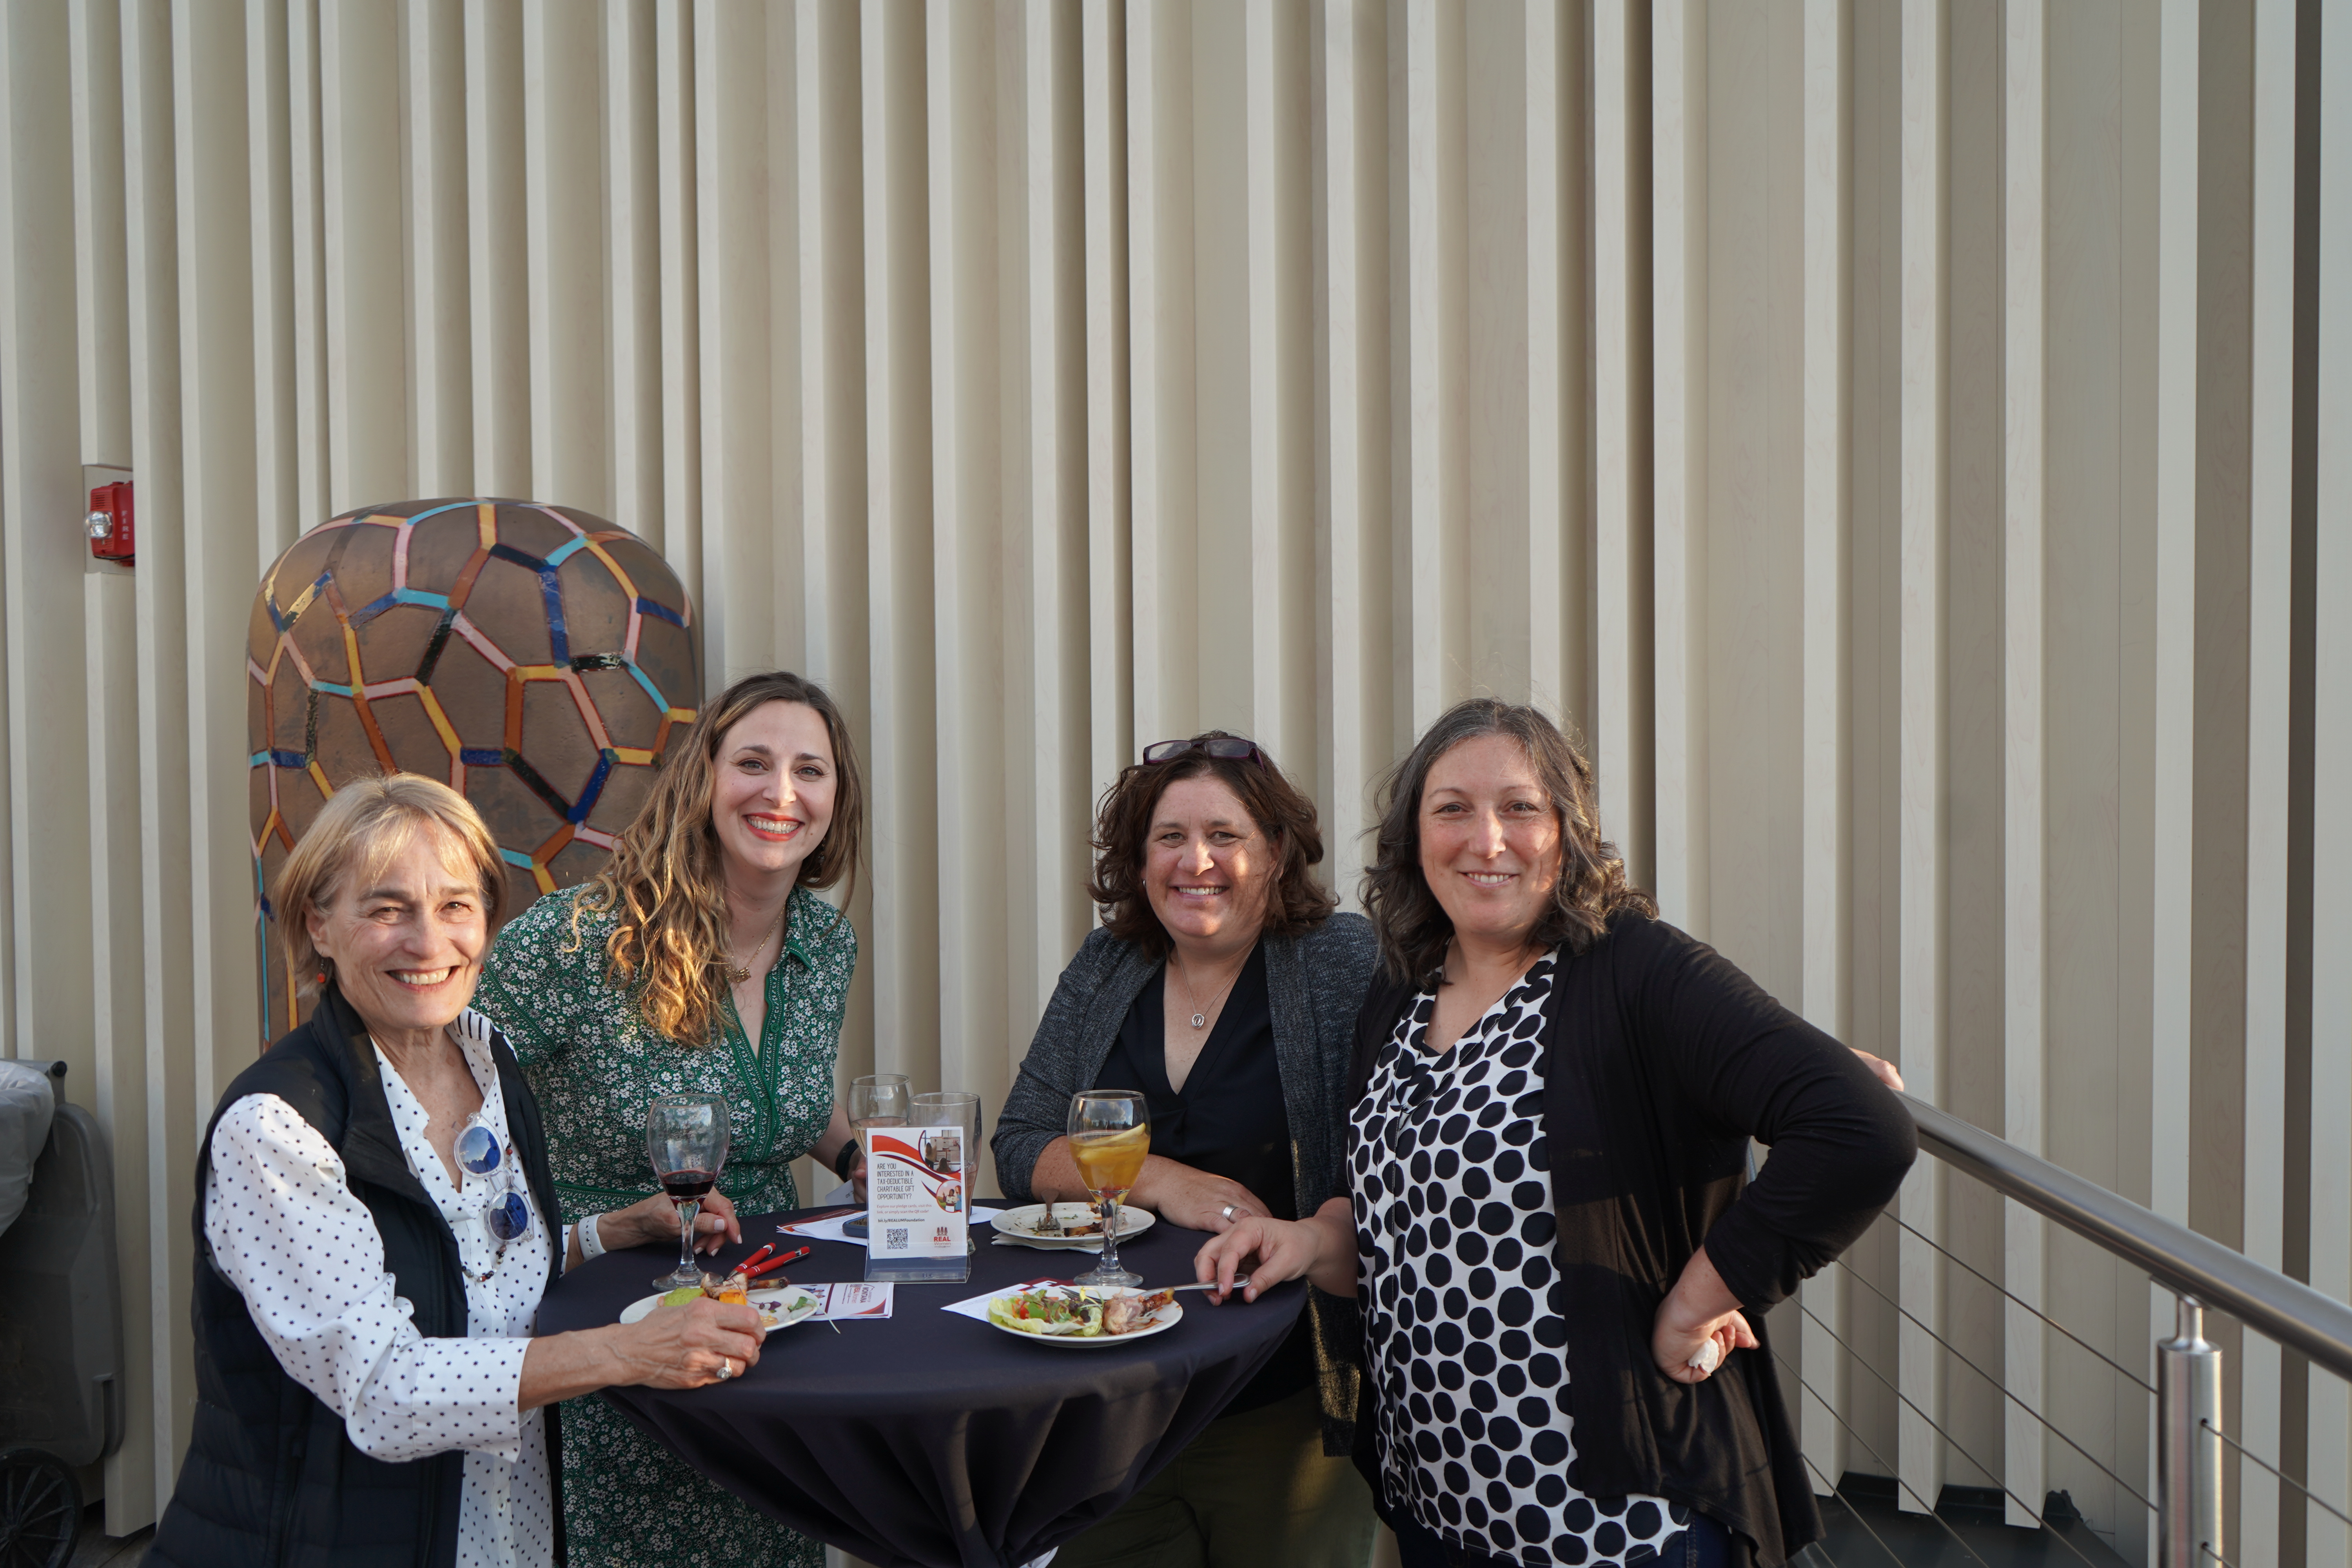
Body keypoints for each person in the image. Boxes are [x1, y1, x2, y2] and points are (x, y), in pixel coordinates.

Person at [1196, 701, 1918, 1568]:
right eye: (1452, 807)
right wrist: (1306, 1238)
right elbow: (1396, 1222)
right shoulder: (1401, 993)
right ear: (1413, 837)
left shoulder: (1633, 968)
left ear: (1568, 832)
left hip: (1611, 1525)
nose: (1486, 839)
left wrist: (1703, 1297)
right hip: (1440, 1506)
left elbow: (1859, 1125)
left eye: (1521, 808)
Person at [150, 775, 763, 1568]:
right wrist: (629, 1349)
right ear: (320, 926)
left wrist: (605, 1232)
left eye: (455, 905)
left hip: (513, 1531)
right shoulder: (277, 1129)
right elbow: (386, 1390)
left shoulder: (485, 1058)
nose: (429, 941)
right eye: (386, 907)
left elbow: (468, 1271)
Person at [472, 670, 865, 1568]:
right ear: (704, 779)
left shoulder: (823, 939)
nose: (781, 793)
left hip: (764, 1313)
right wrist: (571, 1232)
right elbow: (456, 1108)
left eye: (811, 770)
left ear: (835, 801)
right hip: (604, 1326)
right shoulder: (576, 939)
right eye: (754, 763)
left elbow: (784, 1094)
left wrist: (853, 1156)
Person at [993, 732, 1380, 1568]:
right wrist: (1162, 1179)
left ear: (1276, 854)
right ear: (1139, 860)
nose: (1193, 861)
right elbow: (1020, 1143)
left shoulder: (1337, 962)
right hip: (1114, 1408)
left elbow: (1392, 1162)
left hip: (1281, 1408)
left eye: (1225, 836)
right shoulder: (1107, 964)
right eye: (1169, 837)